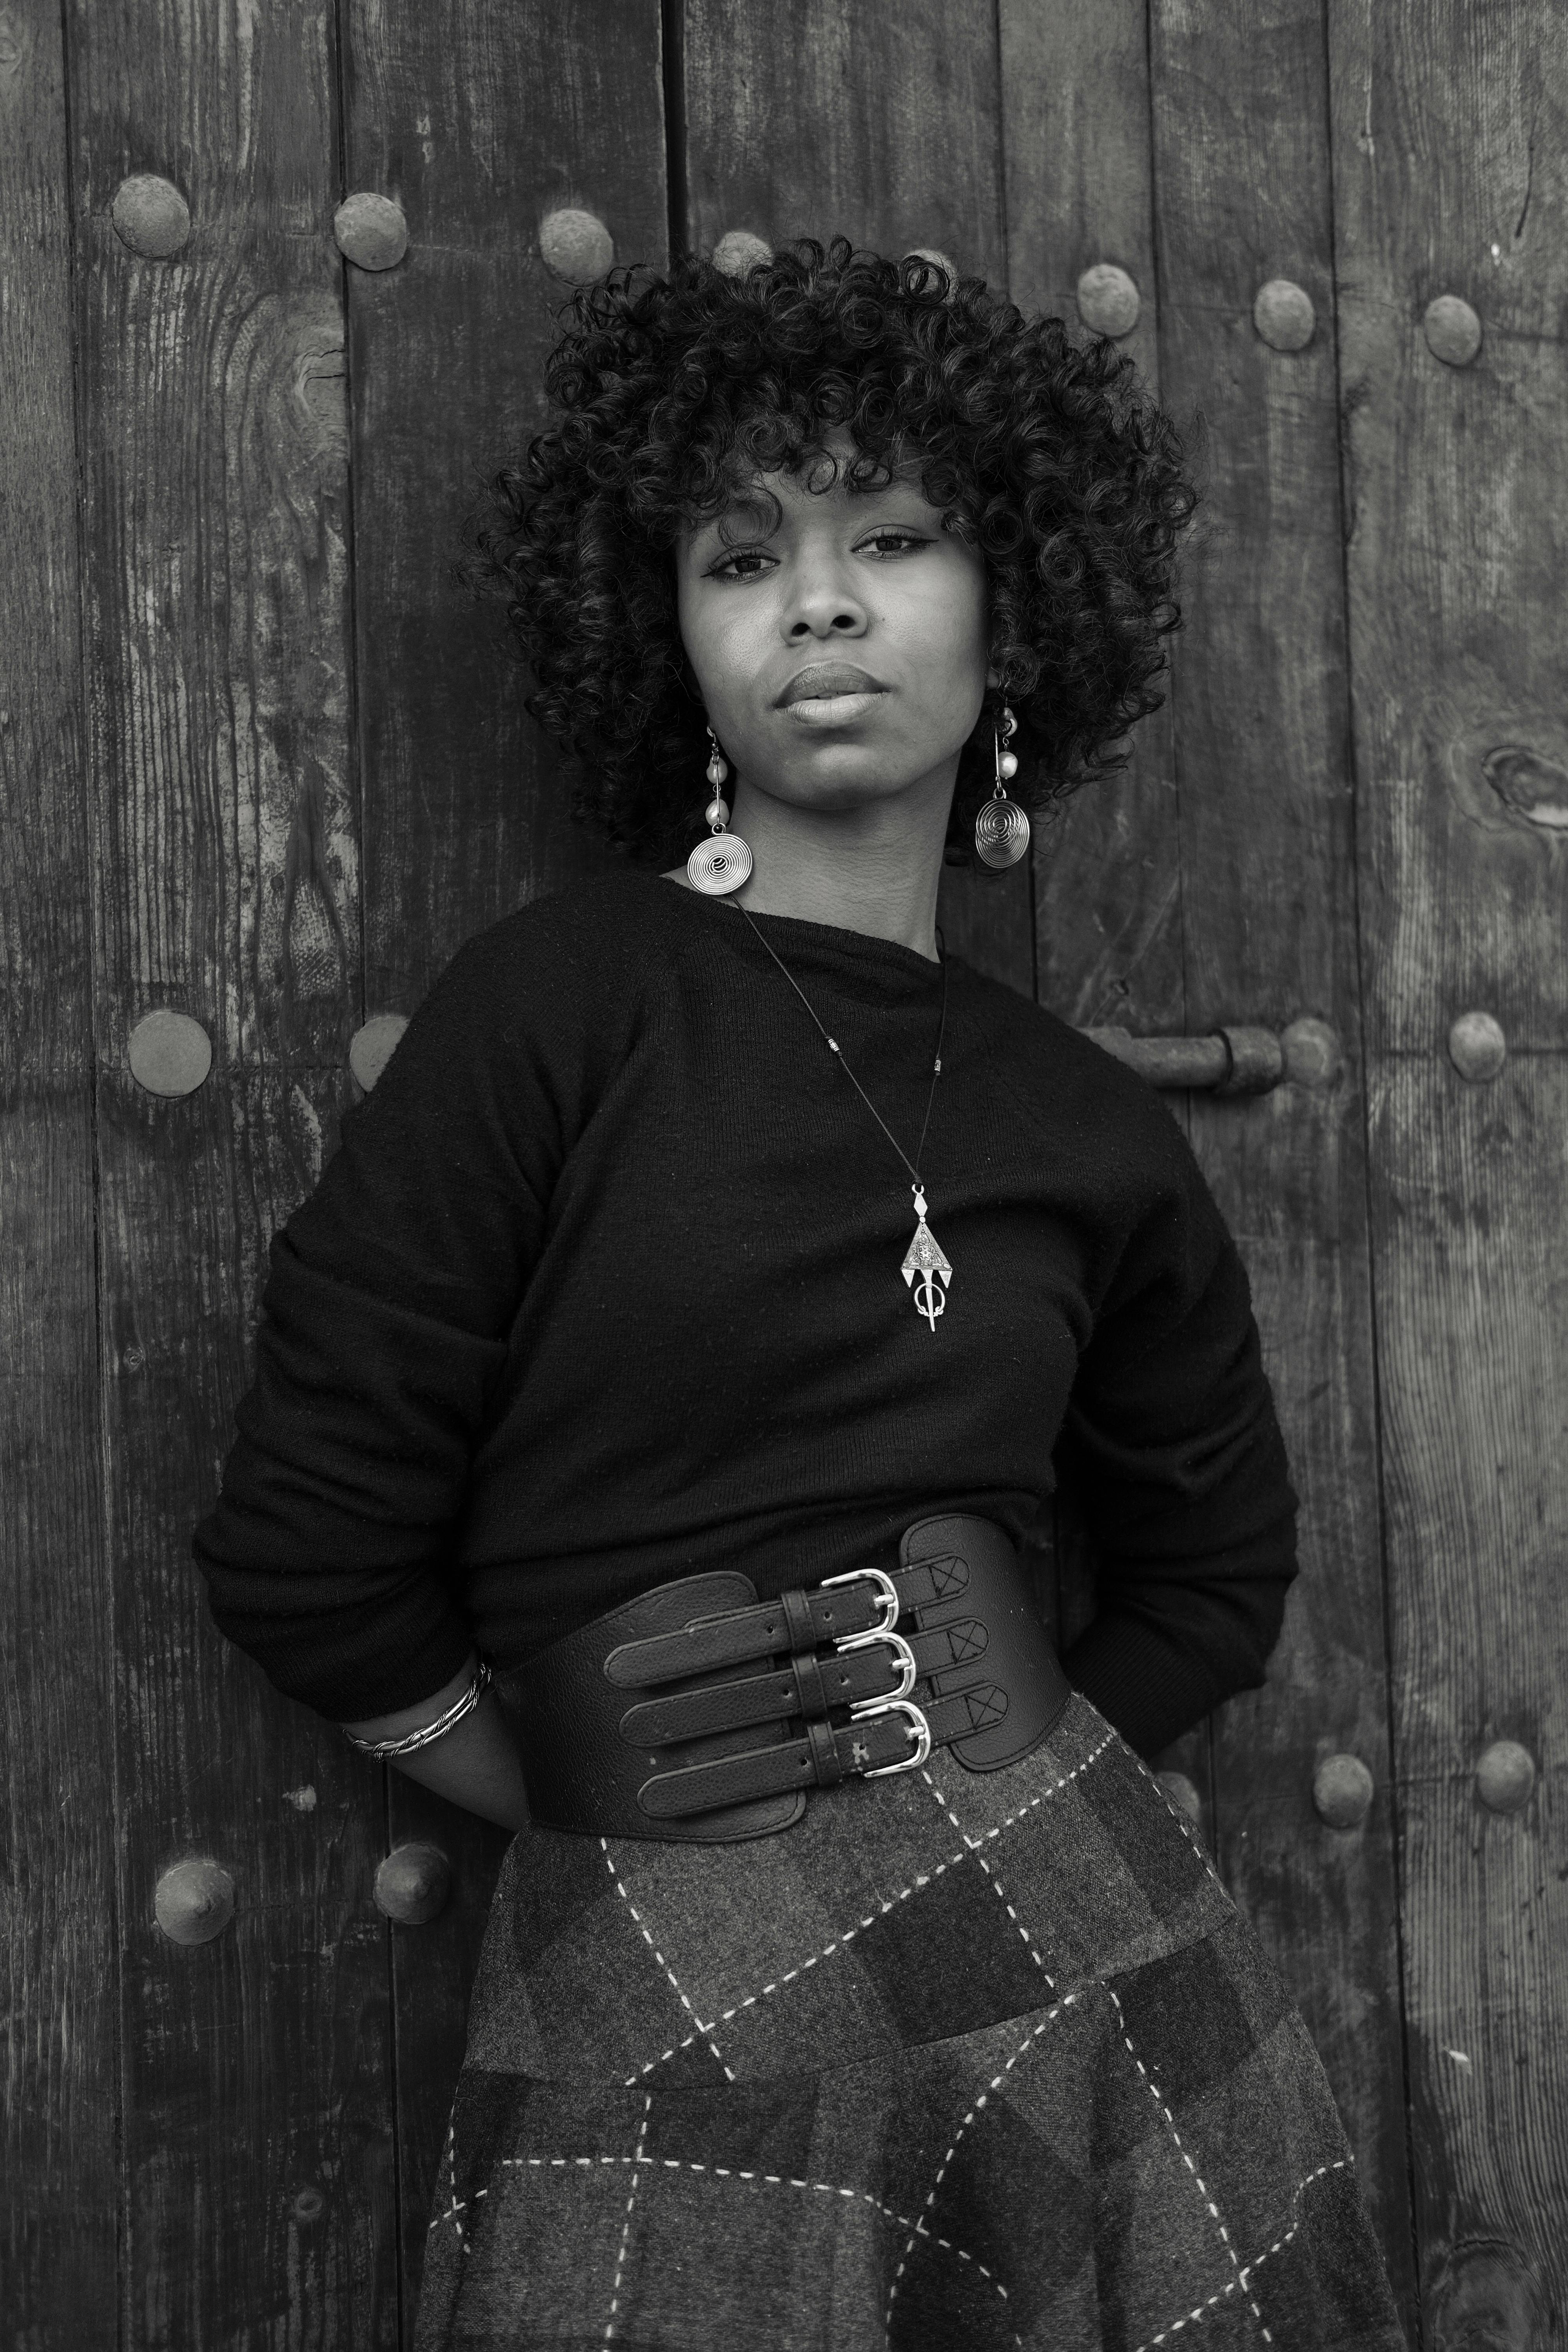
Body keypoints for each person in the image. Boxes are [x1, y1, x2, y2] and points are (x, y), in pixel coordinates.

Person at [191, 237, 1405, 2350]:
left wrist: (997, 1768)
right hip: (668, 1969)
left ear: (1012, 608)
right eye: (742, 557)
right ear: (668, 638)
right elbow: (307, 1550)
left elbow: (1216, 1575)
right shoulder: (559, 1007)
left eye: (894, 539)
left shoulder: (1086, 1121)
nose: (819, 603)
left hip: (1084, 1945)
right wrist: (604, 1790)